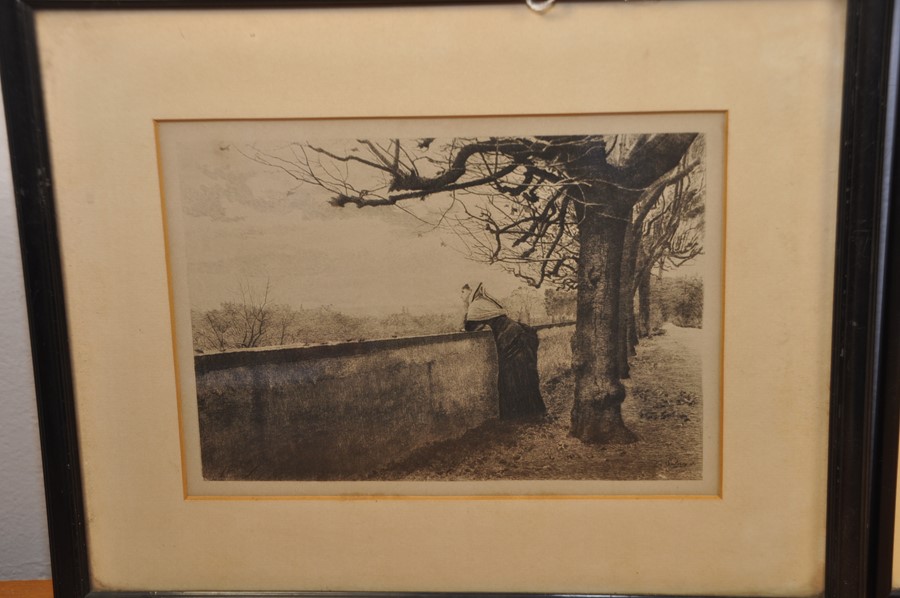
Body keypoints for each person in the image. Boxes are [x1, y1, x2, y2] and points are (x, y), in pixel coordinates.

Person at [463, 283, 546, 420]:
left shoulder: (476, 305)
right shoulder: (484, 302)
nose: (462, 295)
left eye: (463, 292)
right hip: (514, 331)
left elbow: (470, 326)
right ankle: (532, 413)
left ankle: (519, 415)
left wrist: (465, 308)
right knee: (524, 374)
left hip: (511, 335)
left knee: (512, 376)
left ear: (470, 291)